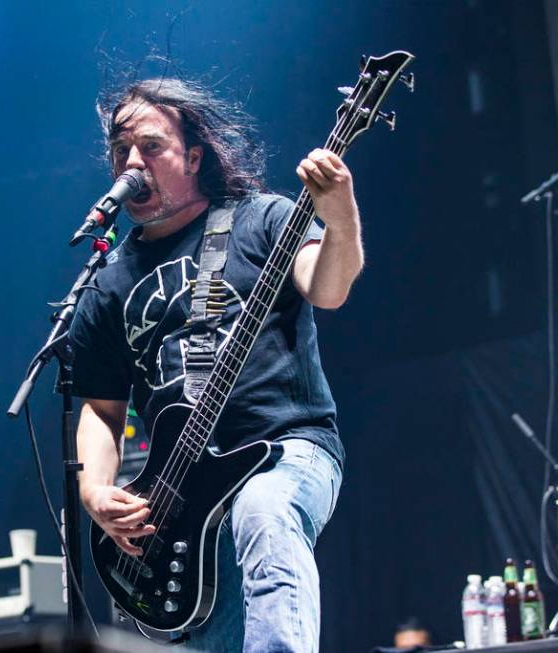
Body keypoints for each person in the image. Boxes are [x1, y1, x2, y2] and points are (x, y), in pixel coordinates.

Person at [68, 78, 364, 652]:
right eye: (121, 152)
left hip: (284, 448)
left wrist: (341, 216)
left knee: (263, 511)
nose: (133, 162)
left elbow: (327, 289)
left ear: (194, 156)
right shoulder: (108, 285)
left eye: (151, 147)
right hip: (181, 494)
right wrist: (96, 493)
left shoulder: (264, 219)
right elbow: (101, 413)